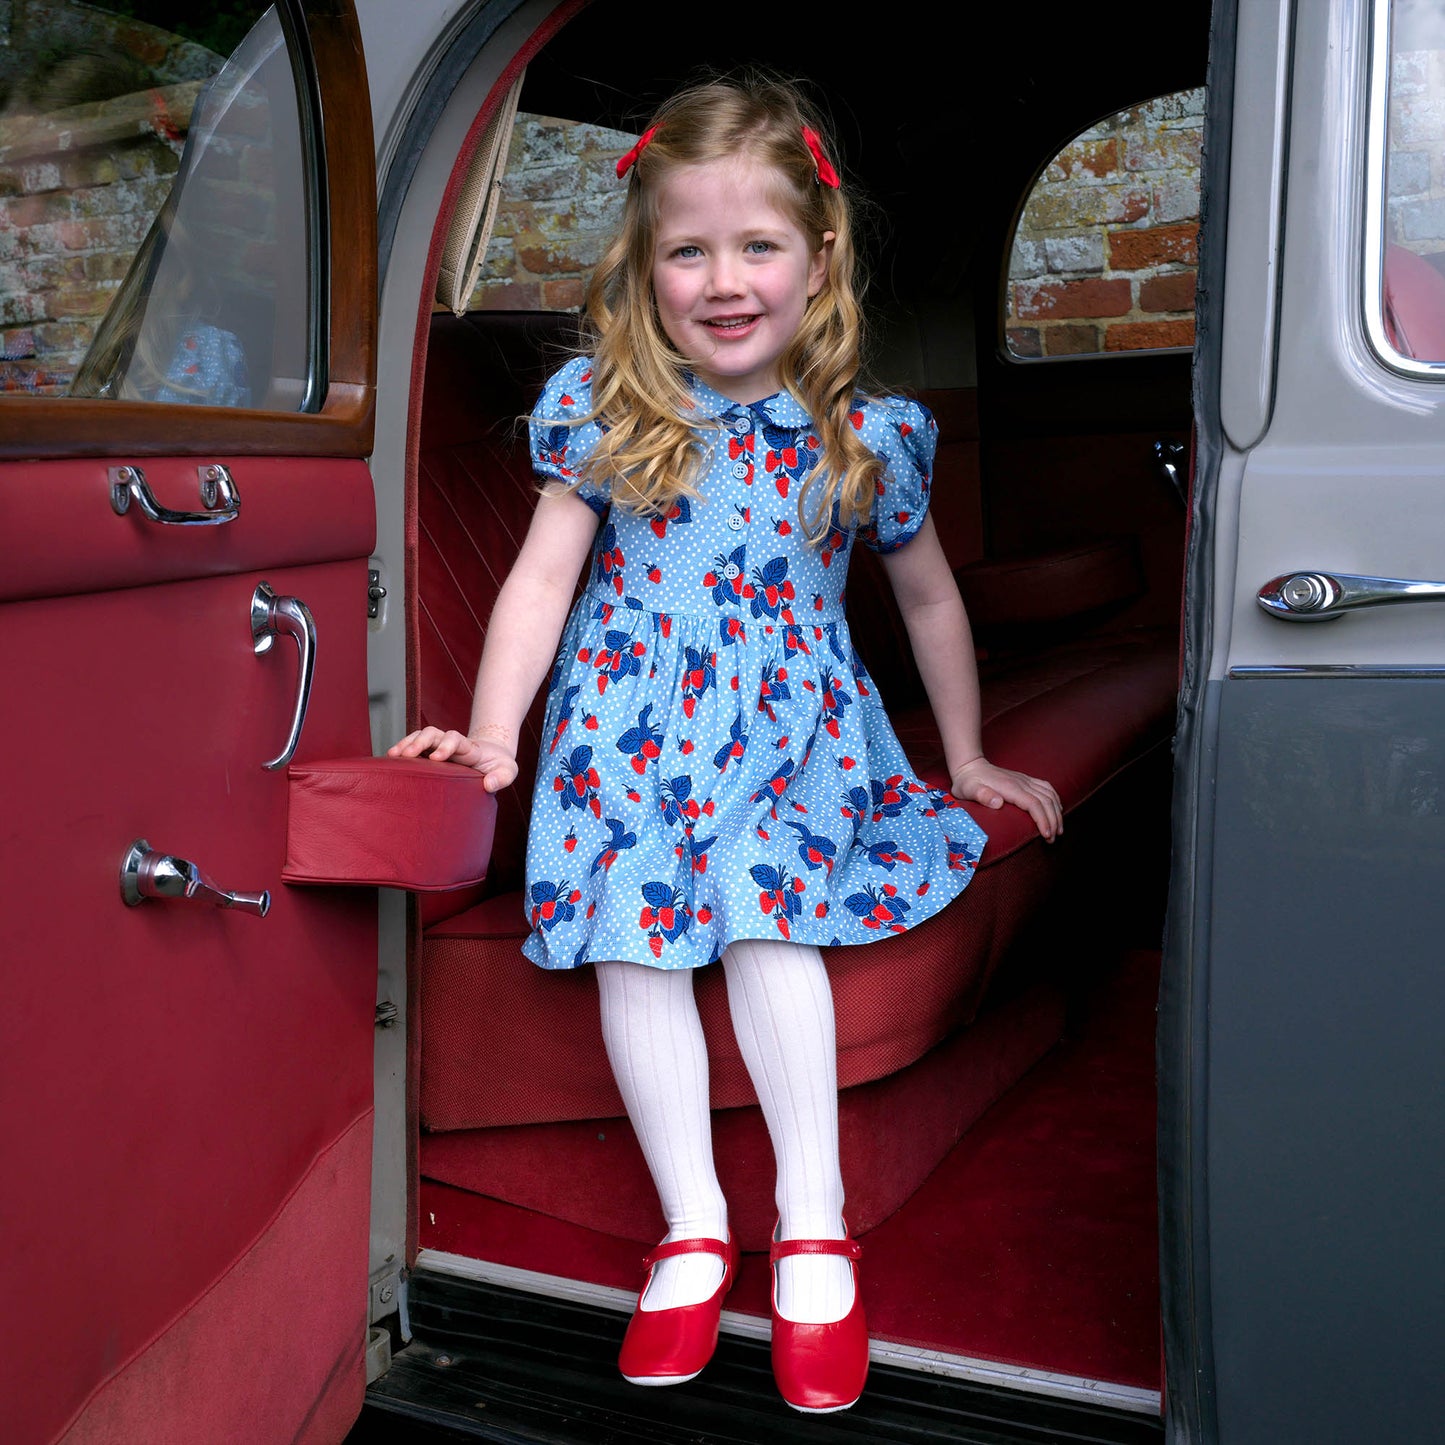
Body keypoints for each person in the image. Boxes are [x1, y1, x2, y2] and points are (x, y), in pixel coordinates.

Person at [390, 72, 1062, 1415]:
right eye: (685, 249)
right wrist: (492, 735)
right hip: (626, 739)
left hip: (791, 742)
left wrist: (969, 754)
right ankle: (692, 1223)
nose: (722, 278)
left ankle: (810, 1222)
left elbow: (928, 597)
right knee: (640, 941)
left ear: (817, 262)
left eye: (756, 244)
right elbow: (534, 583)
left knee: (767, 913)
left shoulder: (863, 433)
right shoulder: (604, 407)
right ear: (644, 270)